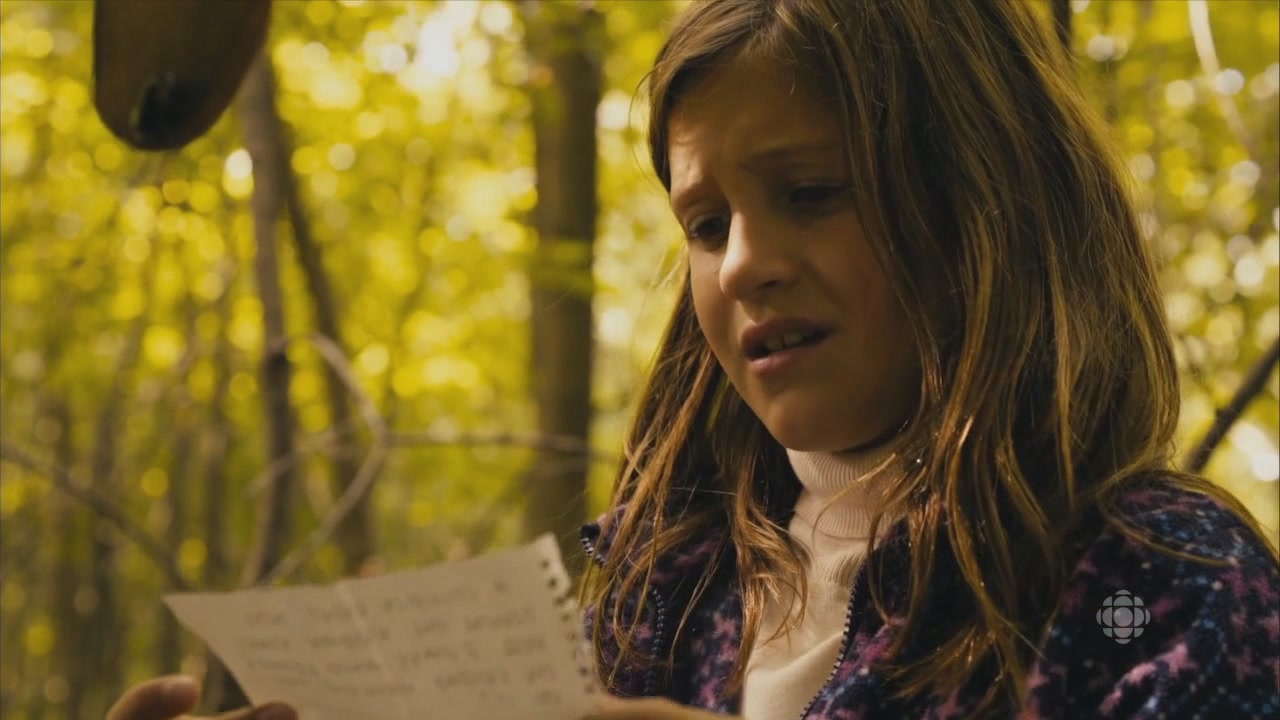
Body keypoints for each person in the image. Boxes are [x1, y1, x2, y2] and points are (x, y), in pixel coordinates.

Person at [108, 1, 1280, 719]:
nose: (742, 265)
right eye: (706, 224)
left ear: (983, 202)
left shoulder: (1150, 584)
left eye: (809, 193)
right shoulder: (667, 594)